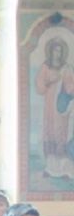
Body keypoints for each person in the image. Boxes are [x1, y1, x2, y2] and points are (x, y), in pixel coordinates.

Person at [35, 36, 74, 178]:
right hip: (49, 106)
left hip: (61, 106)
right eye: (55, 51)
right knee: (50, 133)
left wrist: (67, 87)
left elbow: (71, 86)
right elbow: (39, 87)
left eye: (59, 51)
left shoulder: (66, 68)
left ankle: (64, 169)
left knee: (61, 134)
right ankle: (51, 168)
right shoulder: (45, 67)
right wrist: (51, 82)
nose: (57, 54)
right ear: (50, 52)